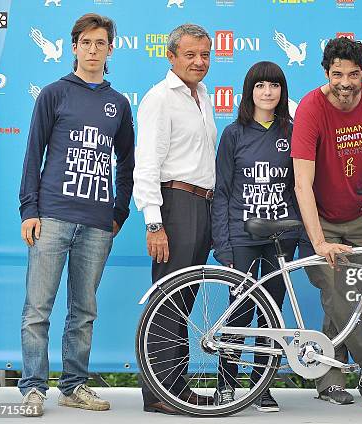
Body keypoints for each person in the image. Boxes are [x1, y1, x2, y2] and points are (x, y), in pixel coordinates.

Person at [17, 13, 135, 417]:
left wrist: (119, 211)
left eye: (100, 43)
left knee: (84, 311)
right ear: (74, 47)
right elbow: (33, 155)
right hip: (51, 217)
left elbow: (126, 163)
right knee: (38, 309)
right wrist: (29, 210)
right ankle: (33, 388)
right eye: (85, 42)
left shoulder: (118, 104)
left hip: (98, 222)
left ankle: (74, 385)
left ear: (110, 49)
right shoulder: (53, 94)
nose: (92, 49)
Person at [291, 37, 362, 405]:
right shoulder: (310, 108)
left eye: (353, 74)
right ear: (326, 73)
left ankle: (331, 377)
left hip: (361, 216)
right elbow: (302, 182)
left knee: (349, 297)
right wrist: (319, 241)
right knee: (335, 293)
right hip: (319, 217)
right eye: (337, 74)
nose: (345, 82)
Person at [133, 23, 216, 415]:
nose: (199, 62)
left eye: (205, 54)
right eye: (190, 54)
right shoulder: (159, 99)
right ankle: (160, 394)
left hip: (202, 204)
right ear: (171, 57)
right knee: (168, 301)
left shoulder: (203, 97)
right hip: (174, 203)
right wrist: (154, 222)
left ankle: (176, 386)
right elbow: (146, 164)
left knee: (183, 300)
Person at [212, 61, 300, 413]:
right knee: (242, 309)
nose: (268, 92)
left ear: (282, 92)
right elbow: (221, 191)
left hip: (281, 236)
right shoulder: (234, 133)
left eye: (274, 86)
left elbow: (299, 188)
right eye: (261, 85)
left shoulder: (292, 131)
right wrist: (224, 243)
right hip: (242, 235)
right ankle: (226, 384)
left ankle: (261, 385)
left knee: (272, 315)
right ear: (250, 91)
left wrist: (302, 234)